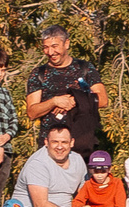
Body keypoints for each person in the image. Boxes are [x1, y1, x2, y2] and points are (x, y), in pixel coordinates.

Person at [25, 25, 107, 160]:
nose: (50, 52)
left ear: (66, 44)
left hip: (82, 146)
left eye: (54, 46)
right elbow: (32, 112)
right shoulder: (38, 74)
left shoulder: (85, 69)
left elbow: (103, 100)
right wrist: (54, 102)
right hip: (49, 150)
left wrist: (75, 100)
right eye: (46, 47)